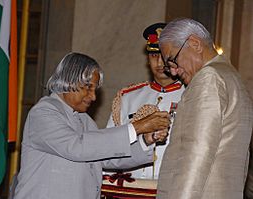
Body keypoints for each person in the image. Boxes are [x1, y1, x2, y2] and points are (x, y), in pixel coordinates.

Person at [13, 52, 171, 199]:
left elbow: (107, 158)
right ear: (69, 80)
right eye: (88, 87)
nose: (93, 96)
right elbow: (76, 147)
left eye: (95, 89)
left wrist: (145, 140)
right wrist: (136, 127)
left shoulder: (85, 120)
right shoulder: (44, 112)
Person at [156, 18, 253, 199]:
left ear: (194, 44)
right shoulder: (232, 77)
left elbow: (195, 154)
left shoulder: (208, 78)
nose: (174, 72)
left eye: (173, 61)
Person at [104, 23, 185, 181]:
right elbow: (110, 147)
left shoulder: (192, 95)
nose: (160, 64)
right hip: (131, 189)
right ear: (147, 59)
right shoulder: (128, 97)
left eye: (165, 56)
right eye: (154, 56)